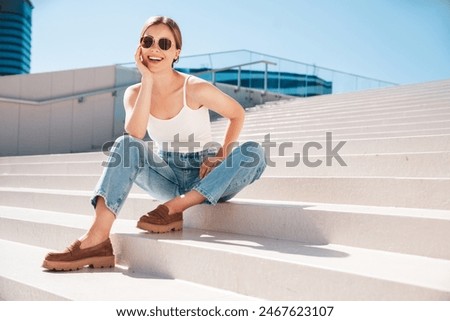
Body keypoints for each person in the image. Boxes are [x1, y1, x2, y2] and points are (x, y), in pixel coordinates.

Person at [42, 16, 266, 271]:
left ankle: (178, 206)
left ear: (176, 52)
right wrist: (147, 81)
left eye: (164, 43)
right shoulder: (134, 93)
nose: (155, 48)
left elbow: (237, 113)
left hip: (208, 175)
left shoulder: (194, 88)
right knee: (125, 145)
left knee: (253, 152)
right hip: (167, 176)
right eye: (148, 41)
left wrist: (220, 155)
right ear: (140, 48)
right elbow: (135, 133)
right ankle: (97, 239)